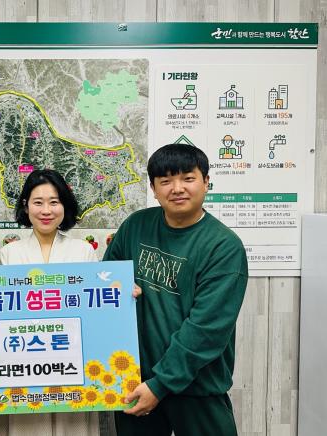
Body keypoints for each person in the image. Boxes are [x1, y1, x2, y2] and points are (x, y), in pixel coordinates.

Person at [103, 143, 248, 436]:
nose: (177, 188)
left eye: (188, 178)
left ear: (206, 182)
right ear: (154, 189)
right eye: (166, 181)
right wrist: (116, 286)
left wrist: (160, 384)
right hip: (136, 382)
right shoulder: (136, 226)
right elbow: (106, 279)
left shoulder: (223, 246)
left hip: (197, 387)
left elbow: (206, 329)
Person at [0, 168, 99, 436]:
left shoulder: (83, 251)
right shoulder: (9, 253)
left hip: (73, 362)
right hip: (24, 363)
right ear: (26, 206)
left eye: (54, 202)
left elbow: (98, 309)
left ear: (65, 205)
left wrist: (121, 292)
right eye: (38, 202)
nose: (46, 210)